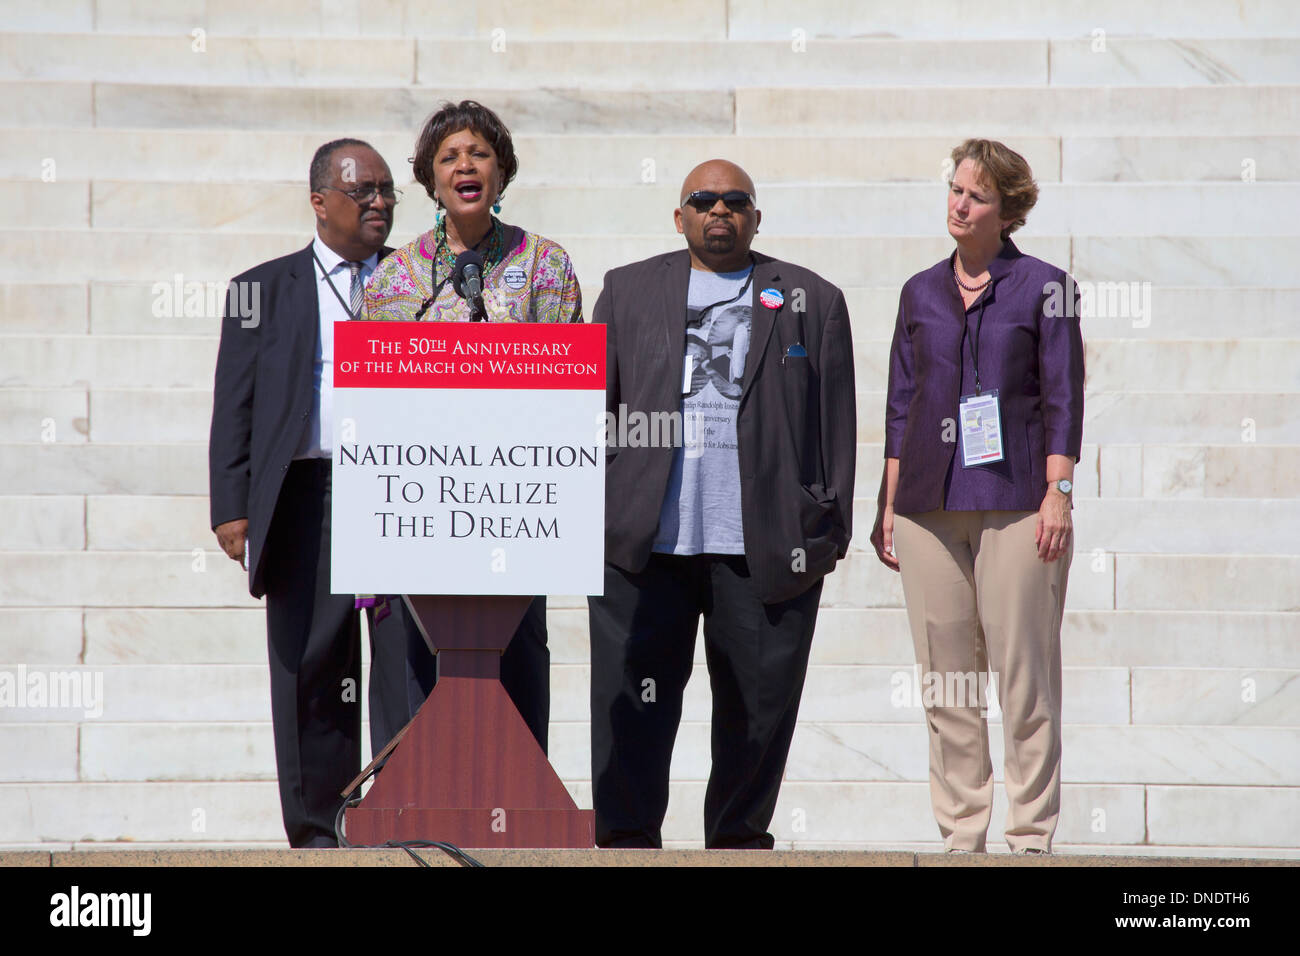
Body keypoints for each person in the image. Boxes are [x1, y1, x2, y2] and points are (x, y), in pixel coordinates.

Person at [588, 159, 857, 849]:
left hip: (764, 543)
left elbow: (835, 424)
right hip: (646, 543)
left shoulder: (810, 300)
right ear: (678, 217)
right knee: (632, 707)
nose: (719, 210)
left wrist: (824, 524)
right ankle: (624, 850)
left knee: (756, 712)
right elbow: (595, 414)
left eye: (735, 201)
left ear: (756, 218)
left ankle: (737, 849)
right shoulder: (627, 291)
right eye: (702, 200)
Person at [871, 139, 1085, 855]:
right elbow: (902, 403)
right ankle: (963, 835)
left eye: (977, 196)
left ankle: (1030, 837)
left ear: (1008, 211)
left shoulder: (1045, 286)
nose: (959, 205)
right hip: (928, 504)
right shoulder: (919, 291)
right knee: (946, 682)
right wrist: (887, 506)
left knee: (1025, 675)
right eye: (956, 190)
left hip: (1020, 498)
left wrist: (1059, 493)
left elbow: (1063, 396)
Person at [209, 138, 413, 847]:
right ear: (321, 202)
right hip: (307, 493)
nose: (382, 202)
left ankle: (403, 819)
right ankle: (319, 835)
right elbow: (234, 402)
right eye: (365, 192)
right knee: (310, 668)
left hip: (401, 488)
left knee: (406, 661)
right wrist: (231, 506)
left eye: (389, 191)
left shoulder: (418, 282)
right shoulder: (260, 289)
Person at [363, 100, 583, 752]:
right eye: (449, 156)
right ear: (430, 179)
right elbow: (374, 402)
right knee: (415, 665)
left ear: (502, 169)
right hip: (421, 505)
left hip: (511, 506)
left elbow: (571, 391)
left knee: (513, 666)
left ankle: (517, 816)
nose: (466, 165)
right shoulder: (396, 278)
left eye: (479, 153)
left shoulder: (545, 265)